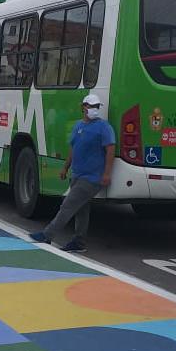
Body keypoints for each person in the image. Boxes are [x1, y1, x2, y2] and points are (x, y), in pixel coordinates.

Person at [29, 93, 115, 253]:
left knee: (67, 206)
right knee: (81, 209)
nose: (95, 109)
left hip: (92, 177)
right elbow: (73, 149)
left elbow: (110, 149)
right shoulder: (78, 126)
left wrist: (106, 174)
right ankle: (79, 242)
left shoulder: (104, 127)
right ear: (84, 107)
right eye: (91, 106)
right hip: (77, 175)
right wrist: (65, 168)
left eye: (97, 107)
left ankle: (47, 234)